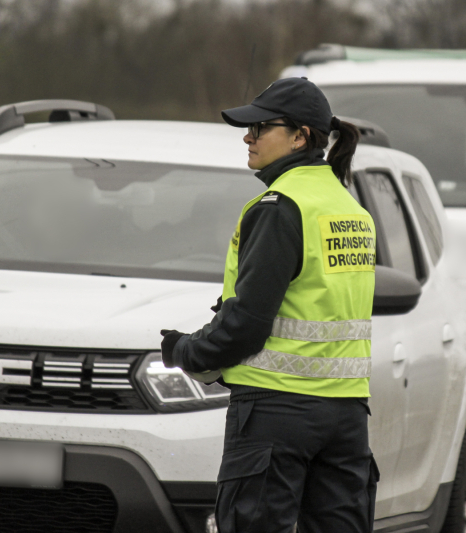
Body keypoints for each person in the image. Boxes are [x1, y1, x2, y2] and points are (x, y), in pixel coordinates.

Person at [160, 77, 379, 533]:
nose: (248, 136)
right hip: (346, 416)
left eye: (261, 128)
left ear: (301, 136)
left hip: (276, 414)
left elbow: (247, 324)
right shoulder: (348, 208)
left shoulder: (280, 206)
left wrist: (185, 351)